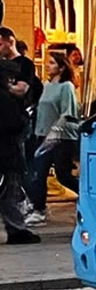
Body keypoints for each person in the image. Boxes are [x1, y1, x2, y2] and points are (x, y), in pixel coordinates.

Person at [25, 52, 80, 226]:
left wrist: (54, 133)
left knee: (62, 175)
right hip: (43, 134)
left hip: (61, 136)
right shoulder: (47, 85)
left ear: (61, 67)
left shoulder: (66, 87)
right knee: (38, 172)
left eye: (52, 63)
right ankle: (38, 208)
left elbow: (68, 113)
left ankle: (85, 195)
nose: (48, 66)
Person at [0, 59, 38, 245]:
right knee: (10, 193)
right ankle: (16, 229)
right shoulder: (6, 99)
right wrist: (24, 117)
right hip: (6, 154)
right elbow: (14, 124)